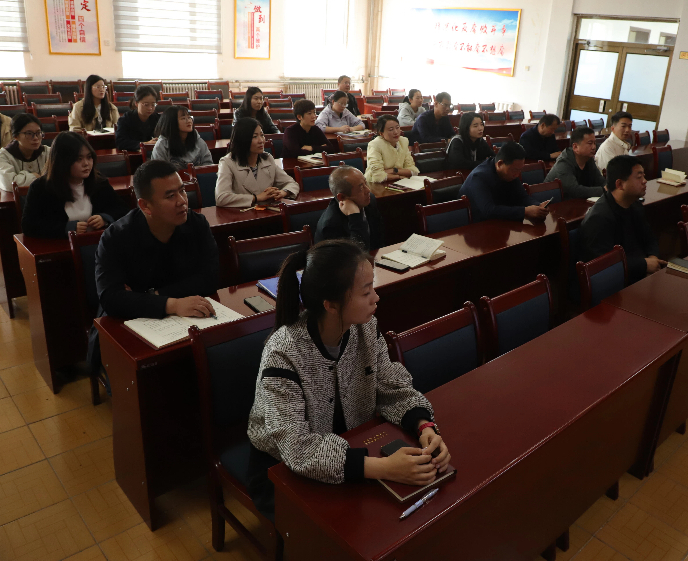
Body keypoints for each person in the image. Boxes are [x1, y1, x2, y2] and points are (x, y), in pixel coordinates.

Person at [246, 239, 450, 520]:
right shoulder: (283, 353)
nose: (376, 298)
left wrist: (424, 425)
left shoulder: (364, 328)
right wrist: (384, 468)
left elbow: (392, 387)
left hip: (350, 447)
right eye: (366, 292)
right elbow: (297, 448)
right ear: (330, 305)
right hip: (279, 468)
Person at [89, 160, 219, 378]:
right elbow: (111, 298)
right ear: (145, 206)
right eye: (170, 196)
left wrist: (150, 295)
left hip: (185, 320)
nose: (182, 201)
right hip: (127, 325)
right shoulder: (116, 237)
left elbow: (210, 278)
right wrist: (172, 304)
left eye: (182, 191)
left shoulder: (197, 224)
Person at [21, 132, 127, 239]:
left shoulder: (99, 182)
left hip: (97, 242)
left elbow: (122, 209)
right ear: (62, 162)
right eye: (79, 159)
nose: (86, 163)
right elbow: (29, 225)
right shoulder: (41, 188)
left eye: (89, 157)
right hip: (61, 245)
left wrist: (105, 218)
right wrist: (67, 228)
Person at [580, 155, 664, 284]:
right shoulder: (599, 218)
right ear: (619, 184)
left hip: (639, 274)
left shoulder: (635, 205)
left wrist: (653, 259)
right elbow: (604, 265)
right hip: (615, 283)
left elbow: (650, 238)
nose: (645, 181)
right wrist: (644, 265)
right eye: (639, 177)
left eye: (644, 176)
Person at [215, 117, 299, 208]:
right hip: (243, 213)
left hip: (268, 212)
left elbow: (292, 183)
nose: (261, 140)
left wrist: (282, 192)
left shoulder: (267, 159)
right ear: (242, 139)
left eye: (262, 135)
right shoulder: (227, 163)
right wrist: (256, 198)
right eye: (255, 136)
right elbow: (221, 198)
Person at [459, 142, 550, 223]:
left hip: (501, 222)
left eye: (520, 170)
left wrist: (538, 206)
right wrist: (524, 211)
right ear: (500, 164)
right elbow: (488, 210)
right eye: (515, 170)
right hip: (477, 226)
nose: (517, 175)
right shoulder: (479, 177)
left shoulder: (510, 173)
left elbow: (522, 197)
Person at [314, 165, 383, 250]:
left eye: (366, 183)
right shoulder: (331, 225)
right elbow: (356, 253)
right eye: (361, 187)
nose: (368, 190)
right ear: (342, 197)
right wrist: (355, 216)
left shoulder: (369, 199)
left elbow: (379, 238)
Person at [544, 127, 605, 200]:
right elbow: (574, 191)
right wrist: (604, 190)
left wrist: (610, 188)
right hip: (555, 204)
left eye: (594, 143)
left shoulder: (588, 159)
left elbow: (600, 181)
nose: (594, 147)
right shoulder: (563, 163)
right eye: (590, 143)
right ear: (575, 147)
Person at [0, 113, 51, 191]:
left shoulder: (49, 152)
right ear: (15, 136)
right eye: (29, 133)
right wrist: (35, 176)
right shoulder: (4, 156)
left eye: (38, 133)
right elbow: (8, 184)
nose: (35, 138)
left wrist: (22, 178)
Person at [365, 115, 418, 183]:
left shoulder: (403, 141)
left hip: (400, 182)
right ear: (381, 133)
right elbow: (377, 175)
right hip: (375, 184)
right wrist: (399, 176)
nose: (396, 132)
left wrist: (394, 171)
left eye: (397, 128)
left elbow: (413, 170)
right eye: (391, 129)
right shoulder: (375, 145)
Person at [115, 86, 160, 152]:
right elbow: (120, 142)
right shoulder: (126, 119)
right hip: (133, 155)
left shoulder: (158, 119)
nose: (150, 108)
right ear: (136, 103)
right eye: (146, 104)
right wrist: (145, 144)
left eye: (153, 105)